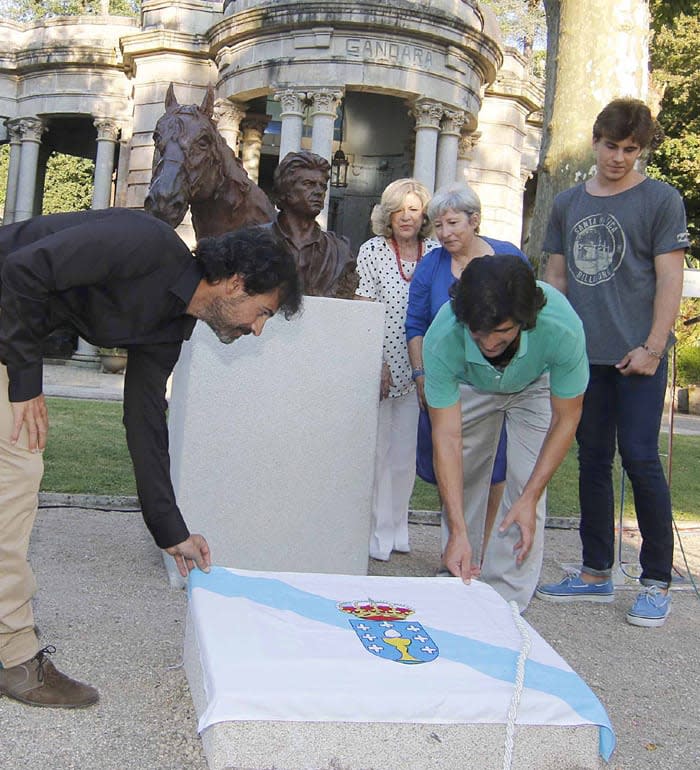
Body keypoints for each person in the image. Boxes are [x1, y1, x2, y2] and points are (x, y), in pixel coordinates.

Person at [0, 207, 302, 708]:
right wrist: (27, 385)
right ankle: (14, 659)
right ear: (235, 283)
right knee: (17, 476)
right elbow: (21, 270)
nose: (258, 329)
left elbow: (144, 421)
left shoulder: (171, 324)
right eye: (264, 312)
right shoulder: (145, 243)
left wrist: (171, 530)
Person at [536, 98, 690, 627]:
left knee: (642, 459)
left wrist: (653, 346)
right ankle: (596, 572)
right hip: (584, 356)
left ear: (641, 150)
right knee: (591, 459)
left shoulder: (661, 199)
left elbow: (671, 279)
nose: (619, 157)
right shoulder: (567, 204)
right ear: (595, 140)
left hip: (638, 357)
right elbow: (556, 281)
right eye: (610, 146)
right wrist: (551, 347)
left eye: (631, 149)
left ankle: (655, 580)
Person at [423, 254, 588, 610]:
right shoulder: (443, 336)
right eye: (478, 333)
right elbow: (447, 439)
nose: (489, 343)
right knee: (464, 473)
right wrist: (459, 529)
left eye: (502, 332)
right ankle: (458, 565)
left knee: (526, 488)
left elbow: (566, 419)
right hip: (471, 383)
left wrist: (529, 496)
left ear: (526, 321)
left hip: (535, 385)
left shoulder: (562, 325)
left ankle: (505, 603)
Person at [406, 182, 527, 555]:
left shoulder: (508, 258)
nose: (445, 233)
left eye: (453, 223)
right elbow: (415, 325)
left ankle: (485, 547)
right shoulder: (431, 264)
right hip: (446, 381)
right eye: (438, 225)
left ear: (474, 220)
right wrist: (420, 374)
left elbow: (524, 317)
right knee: (453, 462)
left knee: (496, 469)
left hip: (498, 382)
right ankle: (455, 546)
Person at [354, 178, 439, 561]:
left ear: (424, 217)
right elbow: (364, 310)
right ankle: (376, 532)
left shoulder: (436, 253)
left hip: (420, 367)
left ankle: (398, 528)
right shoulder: (372, 250)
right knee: (376, 453)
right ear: (388, 214)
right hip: (379, 363)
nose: (406, 216)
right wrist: (377, 361)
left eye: (414, 209)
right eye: (400, 209)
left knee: (405, 454)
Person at [269, 151, 357, 298]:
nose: (318, 192)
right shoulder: (255, 241)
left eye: (322, 186)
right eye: (308, 184)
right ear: (286, 189)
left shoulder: (340, 251)